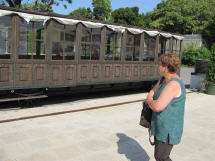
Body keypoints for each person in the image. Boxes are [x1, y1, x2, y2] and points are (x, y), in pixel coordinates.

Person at [146, 54, 186, 161]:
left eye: (159, 65)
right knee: (159, 156)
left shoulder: (173, 84)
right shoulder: (164, 79)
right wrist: (151, 96)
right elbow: (153, 90)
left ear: (166, 68)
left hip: (168, 129)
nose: (158, 67)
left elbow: (158, 106)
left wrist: (149, 100)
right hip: (160, 126)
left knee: (161, 157)